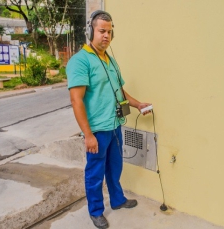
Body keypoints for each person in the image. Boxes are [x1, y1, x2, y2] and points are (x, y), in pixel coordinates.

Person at [66, 10, 151, 229]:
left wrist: (138, 104)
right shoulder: (80, 61)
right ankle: (96, 211)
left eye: (109, 31)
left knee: (115, 167)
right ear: (90, 31)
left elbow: (119, 91)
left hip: (115, 126)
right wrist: (88, 135)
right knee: (95, 174)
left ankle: (118, 200)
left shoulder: (109, 59)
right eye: (102, 31)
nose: (106, 36)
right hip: (97, 131)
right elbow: (76, 101)